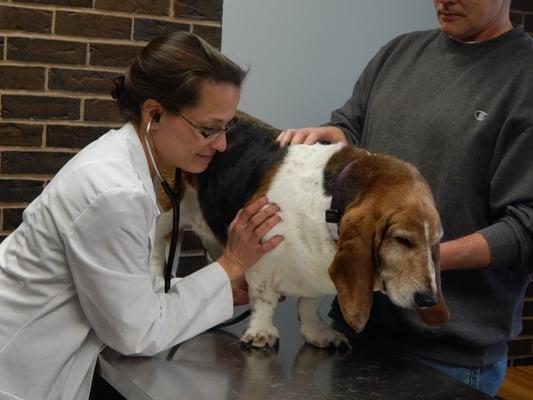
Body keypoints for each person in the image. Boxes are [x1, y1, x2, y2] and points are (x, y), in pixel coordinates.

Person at [0, 31, 283, 400]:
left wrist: (227, 290)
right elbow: (137, 331)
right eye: (209, 129)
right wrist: (229, 263)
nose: (222, 145)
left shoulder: (122, 163)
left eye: (226, 128)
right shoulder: (115, 192)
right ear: (154, 114)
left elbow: (134, 293)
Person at [277, 0, 533, 396]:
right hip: (351, 323)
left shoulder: (524, 77)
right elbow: (351, 126)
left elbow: (526, 226)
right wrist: (334, 138)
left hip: (446, 357)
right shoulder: (398, 53)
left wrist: (420, 259)